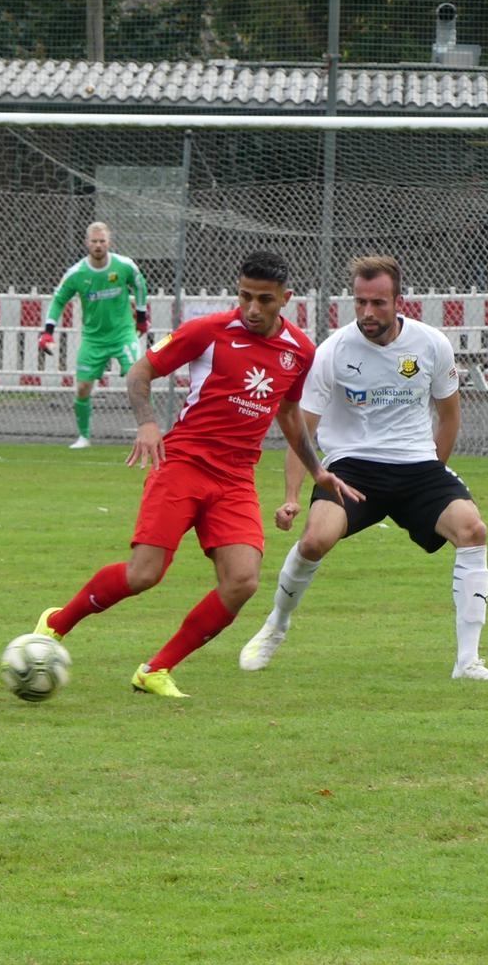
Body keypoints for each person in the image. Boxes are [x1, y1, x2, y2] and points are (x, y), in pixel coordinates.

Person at [31, 251, 361, 698]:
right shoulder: (207, 331)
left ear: (285, 299)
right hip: (184, 463)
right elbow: (140, 373)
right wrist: (148, 423)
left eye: (264, 300)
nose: (252, 308)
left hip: (236, 477)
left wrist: (316, 470)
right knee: (144, 574)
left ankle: (156, 669)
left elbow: (287, 414)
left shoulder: (300, 351)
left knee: (242, 581)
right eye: (245, 296)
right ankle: (57, 622)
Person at [239, 254, 488, 683]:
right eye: (361, 302)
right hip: (353, 467)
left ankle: (468, 663)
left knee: (473, 531)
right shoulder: (332, 352)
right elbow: (300, 432)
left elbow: (449, 416)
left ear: (398, 301)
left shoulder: (432, 345)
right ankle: (276, 624)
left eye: (378, 303)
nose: (368, 312)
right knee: (314, 541)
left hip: (417, 466)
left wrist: (433, 476)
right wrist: (292, 497)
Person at [39, 221, 151, 449]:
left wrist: (141, 316)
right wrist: (48, 333)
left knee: (138, 380)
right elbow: (59, 300)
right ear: (86, 243)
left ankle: (149, 432)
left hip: (123, 334)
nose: (98, 245)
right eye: (94, 241)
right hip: (93, 339)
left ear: (109, 242)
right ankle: (84, 437)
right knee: (82, 388)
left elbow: (140, 285)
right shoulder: (77, 274)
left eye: (102, 241)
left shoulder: (123, 266)